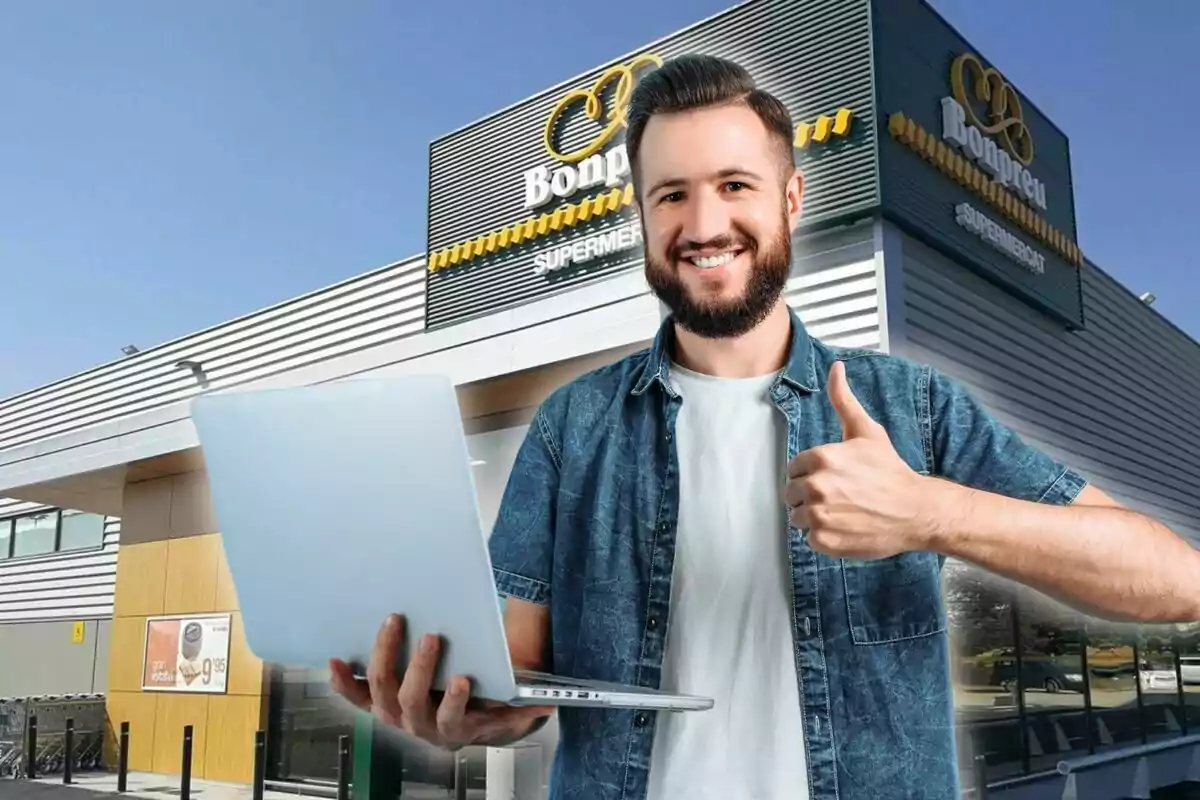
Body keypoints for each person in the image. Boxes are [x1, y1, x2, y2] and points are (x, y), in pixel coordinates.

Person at [330, 54, 1200, 800]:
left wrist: (934, 513)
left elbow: (1174, 579)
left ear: (791, 198)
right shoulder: (572, 426)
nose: (704, 226)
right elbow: (521, 675)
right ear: (642, 217)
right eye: (671, 195)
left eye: (734, 186)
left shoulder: (911, 407)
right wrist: (464, 713)